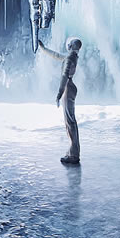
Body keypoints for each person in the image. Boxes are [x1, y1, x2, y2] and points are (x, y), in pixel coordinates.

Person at [39, 37, 82, 165]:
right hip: (71, 87)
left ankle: (73, 154)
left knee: (70, 122)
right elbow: (56, 55)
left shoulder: (69, 58)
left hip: (68, 88)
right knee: (70, 121)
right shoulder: (72, 56)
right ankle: (73, 152)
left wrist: (59, 94)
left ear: (71, 46)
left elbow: (64, 76)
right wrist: (43, 48)